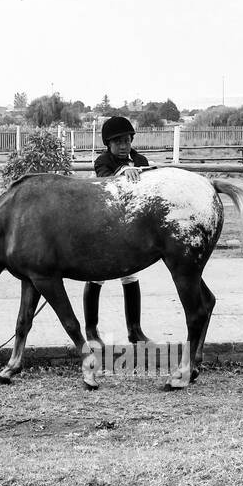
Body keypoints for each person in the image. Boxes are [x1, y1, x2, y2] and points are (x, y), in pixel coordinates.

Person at [88, 115, 151, 344]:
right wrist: (124, 171)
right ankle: (92, 332)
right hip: (103, 224)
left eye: (127, 141)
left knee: (131, 275)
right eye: (118, 142)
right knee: (96, 277)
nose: (124, 146)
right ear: (109, 144)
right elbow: (105, 183)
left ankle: (135, 330)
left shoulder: (141, 159)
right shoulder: (102, 162)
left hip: (129, 227)